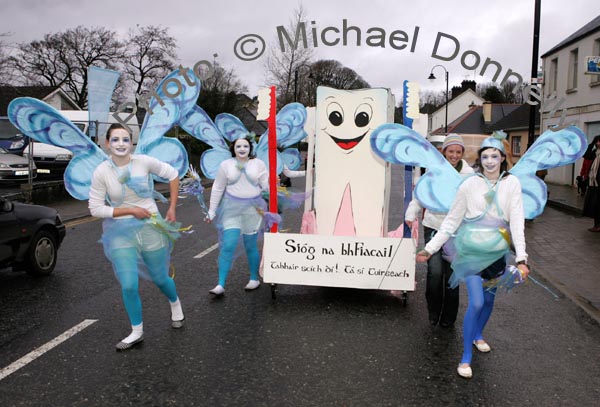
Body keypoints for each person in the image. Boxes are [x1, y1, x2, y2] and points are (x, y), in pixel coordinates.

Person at [415, 133, 530, 379]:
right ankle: (466, 357)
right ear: (480, 159)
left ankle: (478, 335)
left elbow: (518, 222)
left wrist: (522, 258)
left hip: (496, 253)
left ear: (503, 158)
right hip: (471, 253)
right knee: (476, 302)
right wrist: (430, 248)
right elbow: (450, 222)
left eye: (495, 156)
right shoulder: (469, 184)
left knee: (489, 302)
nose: (490, 161)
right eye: (485, 156)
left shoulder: (512, 184)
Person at [89, 123, 184, 351]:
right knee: (129, 284)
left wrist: (171, 208)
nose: (121, 144)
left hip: (150, 226)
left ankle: (175, 303)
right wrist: (129, 211)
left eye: (125, 139)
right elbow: (95, 208)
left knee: (160, 277)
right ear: (107, 143)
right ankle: (136, 331)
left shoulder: (143, 162)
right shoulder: (102, 171)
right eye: (115, 139)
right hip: (119, 232)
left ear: (131, 143)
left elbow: (172, 175)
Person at [405, 134, 474, 328]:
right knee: (435, 272)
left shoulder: (468, 175)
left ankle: (448, 318)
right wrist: (411, 213)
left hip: (456, 231)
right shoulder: (434, 171)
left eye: (458, 152)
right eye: (450, 151)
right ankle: (433, 312)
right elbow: (420, 194)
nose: (454, 155)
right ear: (444, 152)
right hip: (433, 225)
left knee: (451, 275)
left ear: (462, 153)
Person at [206, 135, 269, 296]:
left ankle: (254, 279)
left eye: (245, 146)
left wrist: (271, 185)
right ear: (233, 148)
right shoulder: (226, 165)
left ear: (250, 149)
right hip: (231, 210)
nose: (242, 149)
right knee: (228, 245)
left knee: (250, 245)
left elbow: (265, 186)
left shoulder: (258, 164)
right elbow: (218, 188)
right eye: (238, 146)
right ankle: (220, 284)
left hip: (252, 210)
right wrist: (212, 211)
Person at [583, 135, 600, 232]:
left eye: (599, 142)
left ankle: (598, 225)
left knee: (598, 205)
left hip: (599, 183)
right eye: (597, 142)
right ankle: (596, 225)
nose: (598, 144)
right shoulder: (595, 153)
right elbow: (586, 155)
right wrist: (591, 144)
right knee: (594, 205)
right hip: (593, 183)